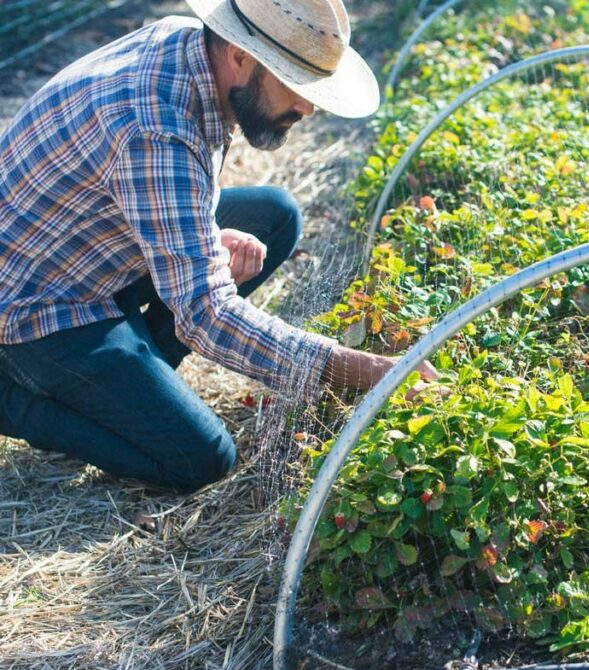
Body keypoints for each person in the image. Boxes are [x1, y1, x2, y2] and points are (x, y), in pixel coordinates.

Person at [0, 0, 436, 493]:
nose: (307, 107)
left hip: (87, 248)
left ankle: (133, 385)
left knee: (274, 216)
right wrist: (360, 370)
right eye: (294, 83)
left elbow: (153, 191)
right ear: (241, 56)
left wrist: (201, 235)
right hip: (39, 303)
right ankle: (20, 401)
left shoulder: (190, 46)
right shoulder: (156, 126)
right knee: (201, 457)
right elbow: (205, 314)